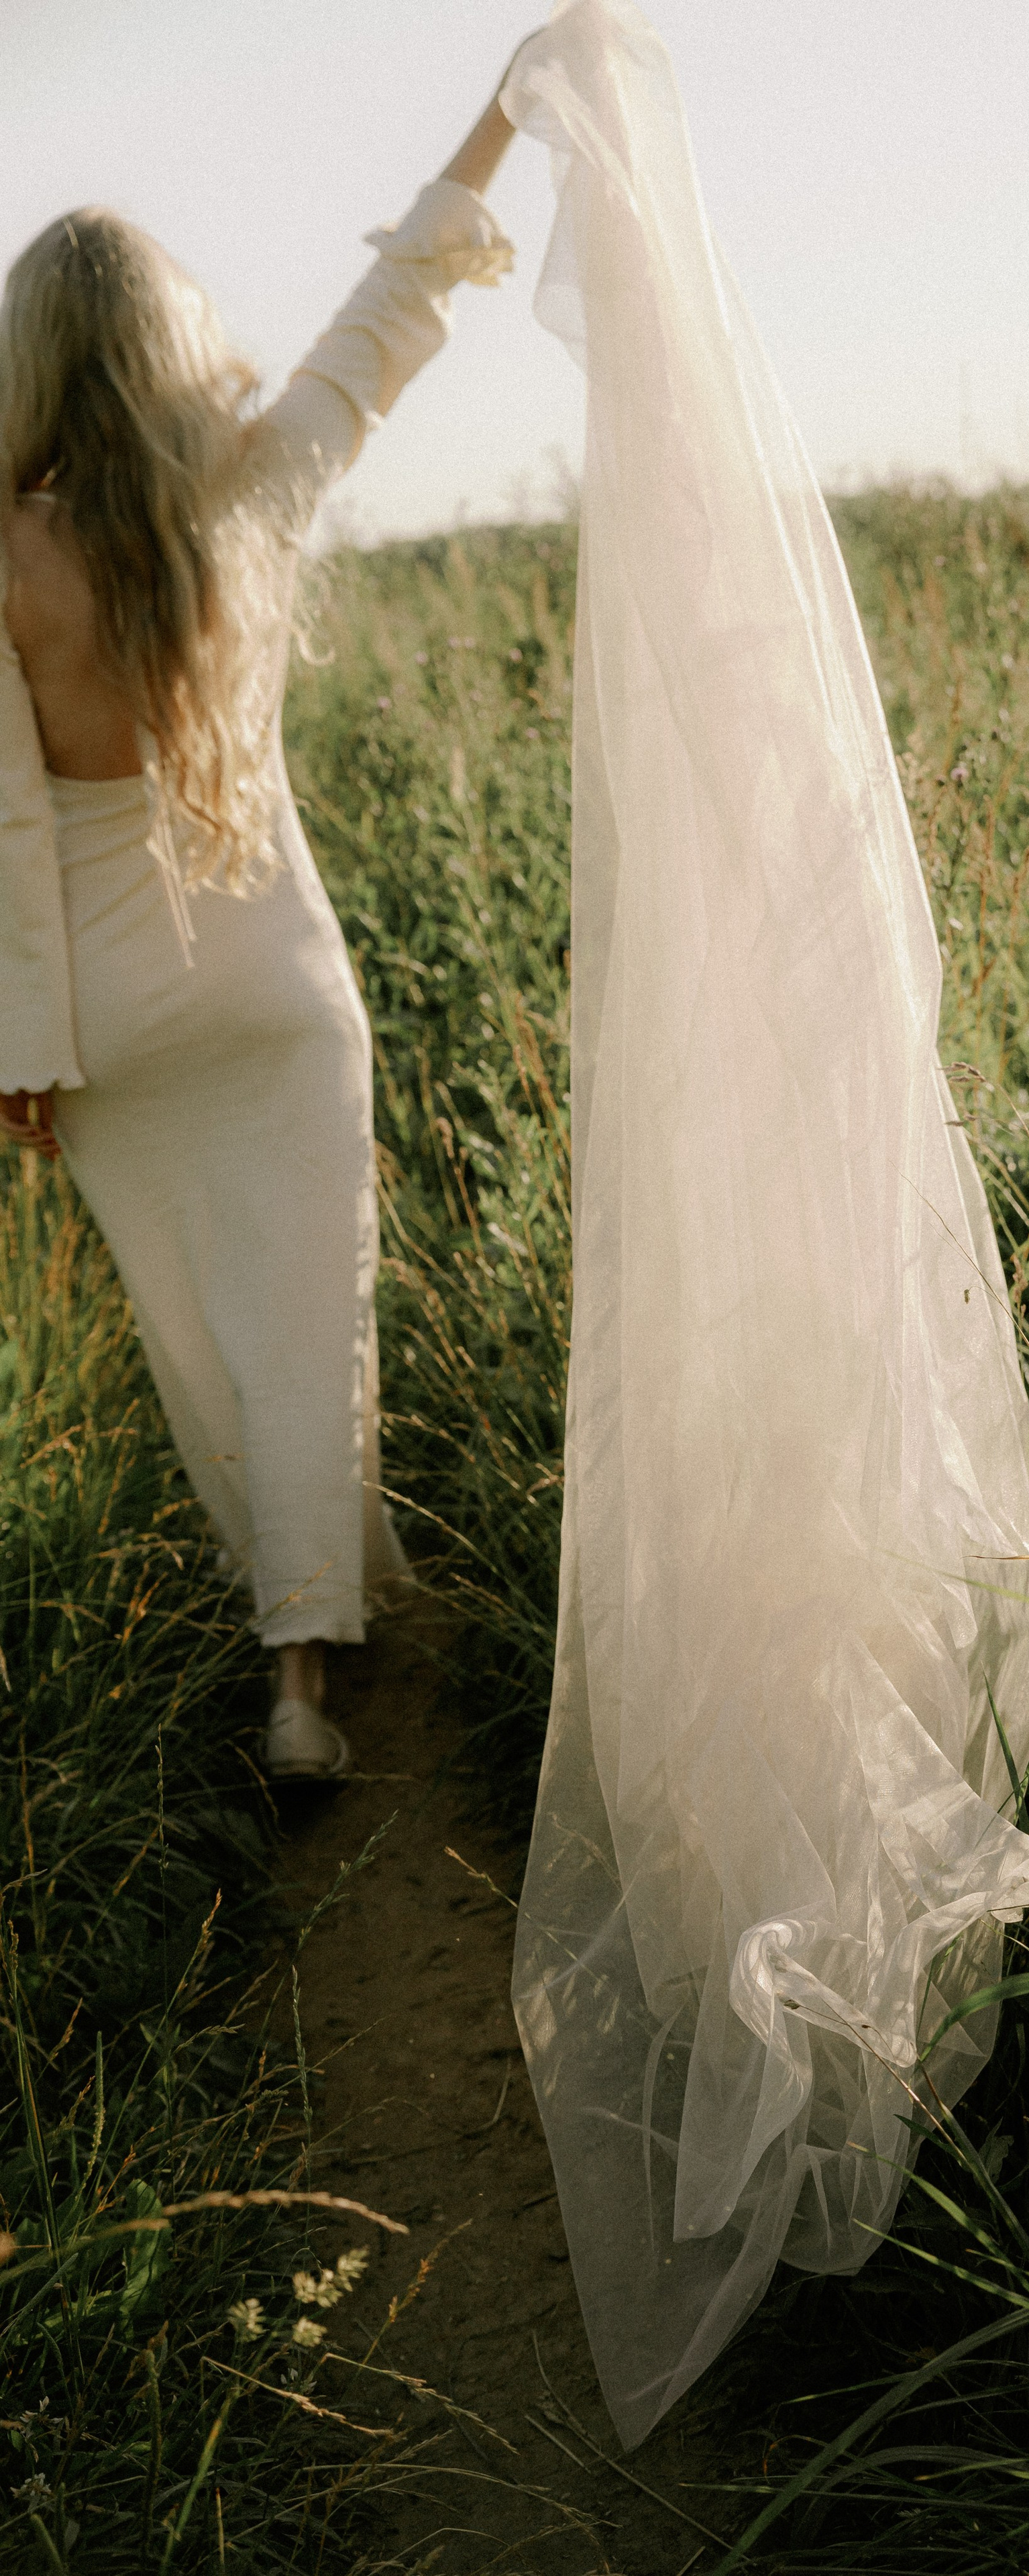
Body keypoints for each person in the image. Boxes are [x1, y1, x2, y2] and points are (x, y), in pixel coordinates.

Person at [0, 61, 525, 1776]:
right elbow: (392, 313)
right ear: (177, 348)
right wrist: (505, 113)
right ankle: (308, 1674)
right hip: (275, 979)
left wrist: (16, 1044)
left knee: (199, 1339)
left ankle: (283, 1634)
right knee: (310, 1317)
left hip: (108, 1012)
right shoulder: (252, 490)